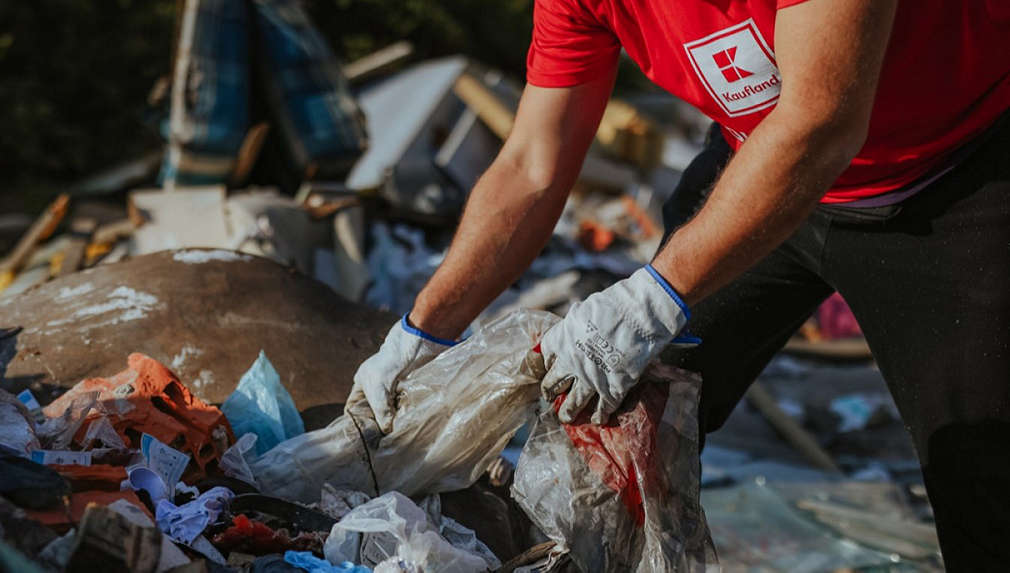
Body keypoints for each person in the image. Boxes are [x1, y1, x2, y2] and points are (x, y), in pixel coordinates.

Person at [348, 0, 1010, 568]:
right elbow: (530, 164)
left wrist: (649, 297)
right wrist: (420, 329)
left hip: (954, 180)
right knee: (614, 410)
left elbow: (823, 121)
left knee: (982, 484)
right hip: (759, 160)